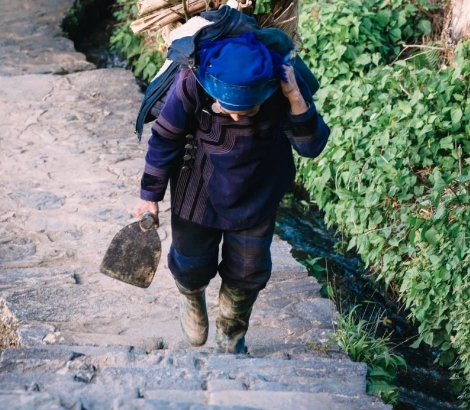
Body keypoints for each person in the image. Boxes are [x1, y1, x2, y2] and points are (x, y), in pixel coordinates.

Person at [132, 31, 329, 354]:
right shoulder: (191, 82)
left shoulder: (281, 84)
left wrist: (295, 96)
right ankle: (192, 298)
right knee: (190, 262)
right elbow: (164, 141)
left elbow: (311, 147)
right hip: (196, 183)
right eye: (228, 109)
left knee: (248, 270)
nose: (237, 116)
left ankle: (232, 330)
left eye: (248, 110)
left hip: (258, 188)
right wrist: (149, 196)